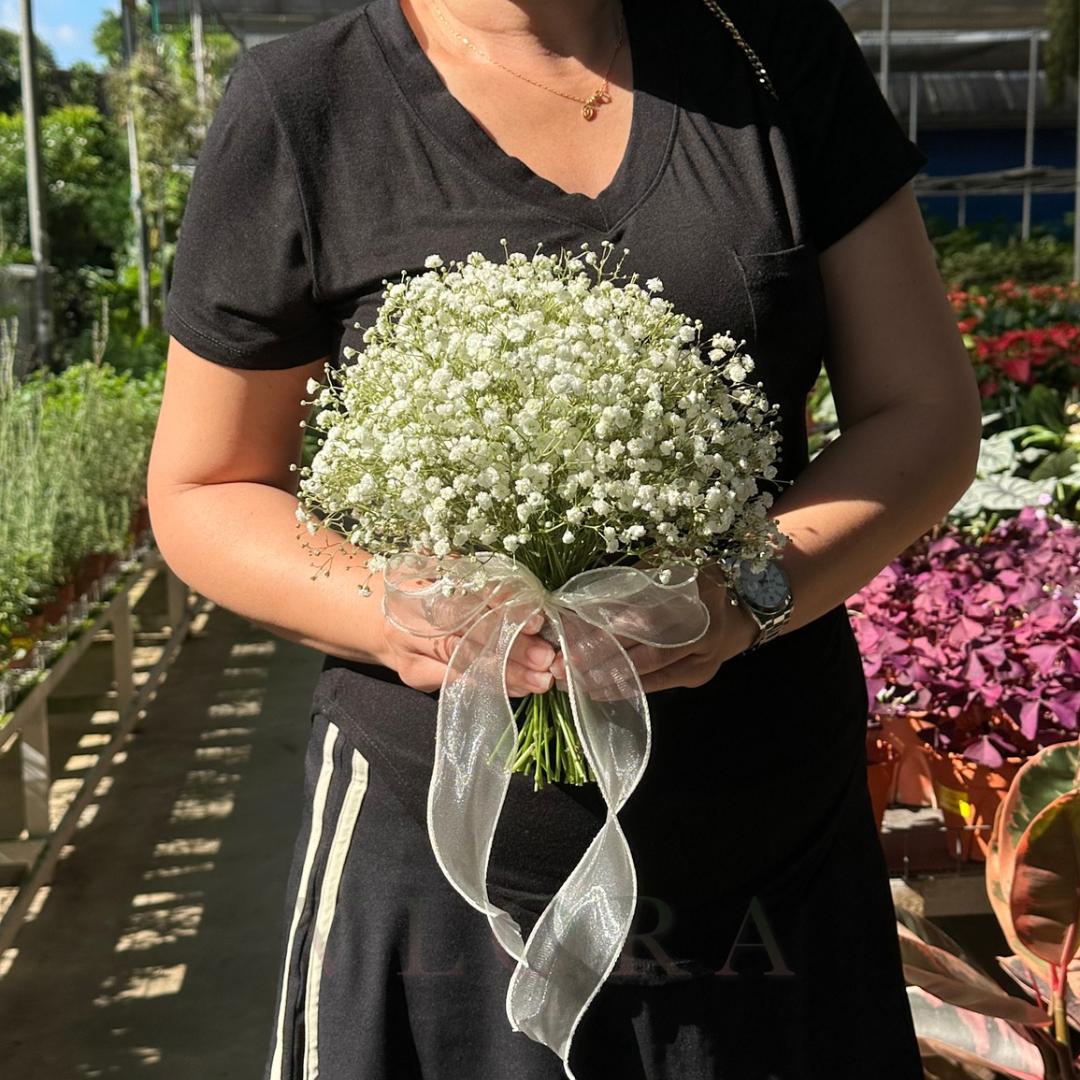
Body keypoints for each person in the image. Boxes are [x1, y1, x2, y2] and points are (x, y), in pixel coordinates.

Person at [147, 0, 982, 1075]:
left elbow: (921, 413)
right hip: (442, 864)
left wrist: (741, 594)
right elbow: (207, 486)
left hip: (769, 841)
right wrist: (400, 612)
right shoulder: (306, 103)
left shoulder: (768, 48)